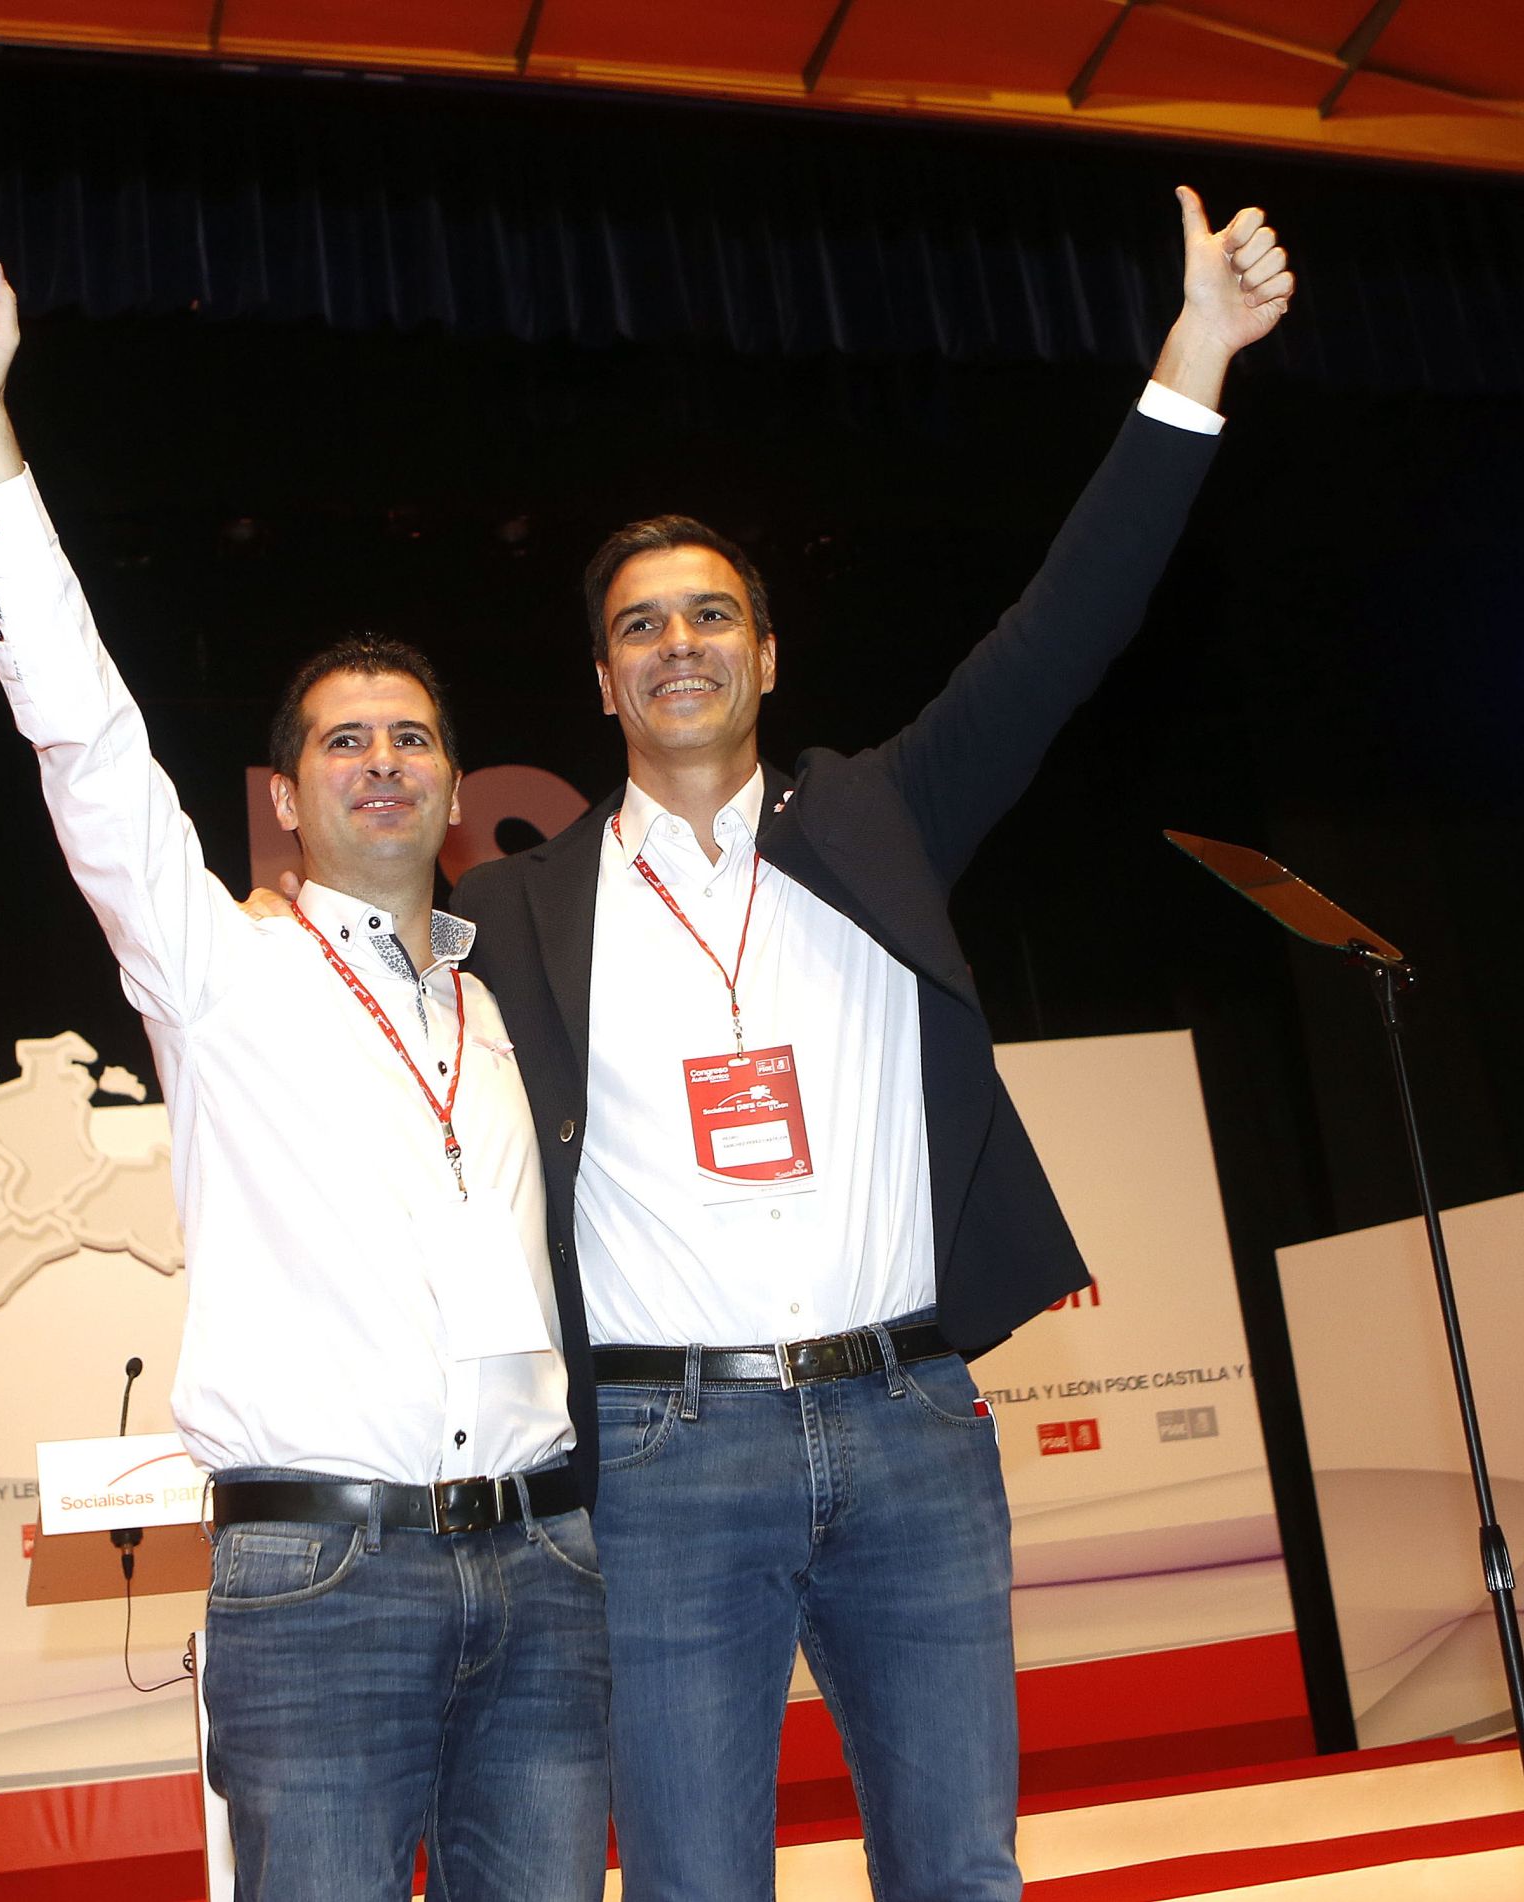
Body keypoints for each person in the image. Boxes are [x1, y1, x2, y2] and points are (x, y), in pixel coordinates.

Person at [447, 186, 1296, 1900]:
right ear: (601, 688)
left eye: (707, 617)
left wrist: (1194, 354)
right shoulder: (522, 916)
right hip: (669, 1459)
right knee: (695, 1882)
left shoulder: (880, 814)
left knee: (961, 1873)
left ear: (768, 651)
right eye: (638, 627)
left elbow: (1066, 629)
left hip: (912, 1421)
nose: (676, 645)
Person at [0, 213, 609, 1902]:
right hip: (322, 1572)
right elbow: (86, 734)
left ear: (453, 777)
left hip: (548, 1563)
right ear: (282, 794)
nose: (383, 762)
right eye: (343, 739)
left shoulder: (497, 1010)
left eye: (412, 735)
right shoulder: (219, 970)